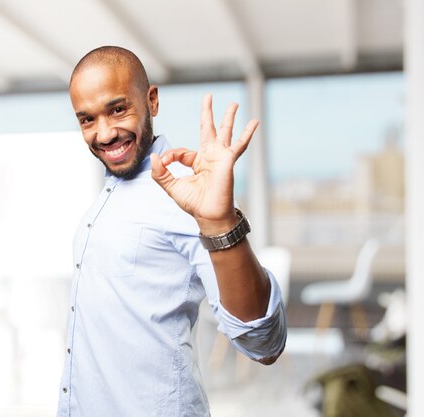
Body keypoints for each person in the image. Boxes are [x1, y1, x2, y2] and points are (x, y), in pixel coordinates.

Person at [57, 45, 287, 417]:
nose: (104, 133)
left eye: (118, 109)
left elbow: (265, 343)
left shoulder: (184, 194)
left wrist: (220, 223)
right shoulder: (108, 195)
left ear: (152, 100)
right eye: (87, 119)